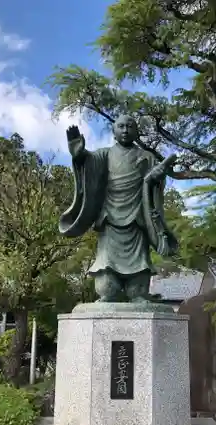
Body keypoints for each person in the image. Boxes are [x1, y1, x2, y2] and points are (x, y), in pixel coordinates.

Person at [59, 114, 178, 302]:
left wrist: (156, 178)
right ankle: (109, 291)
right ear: (114, 132)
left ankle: (138, 292)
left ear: (136, 131)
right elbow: (89, 168)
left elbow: (154, 185)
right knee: (106, 283)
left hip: (138, 218)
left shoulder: (147, 157)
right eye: (121, 126)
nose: (125, 130)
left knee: (139, 273)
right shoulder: (104, 154)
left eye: (130, 126)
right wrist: (80, 155)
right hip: (110, 218)